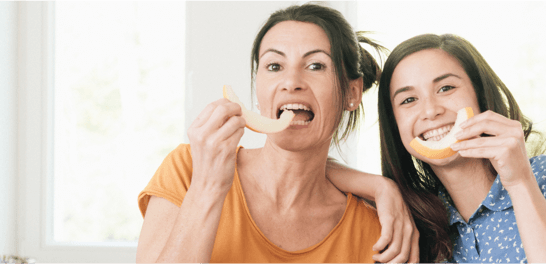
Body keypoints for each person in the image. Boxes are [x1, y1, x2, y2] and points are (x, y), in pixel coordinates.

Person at [135, 4, 416, 263]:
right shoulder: (190, 169)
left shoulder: (374, 230)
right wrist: (208, 189)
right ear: (258, 90)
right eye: (274, 66)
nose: (291, 82)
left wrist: (381, 186)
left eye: (316, 65)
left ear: (352, 93)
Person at [371, 33, 546, 263]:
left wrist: (519, 182)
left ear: (481, 97)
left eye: (446, 88)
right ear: (395, 126)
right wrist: (378, 186)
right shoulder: (412, 222)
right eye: (408, 100)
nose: (430, 110)